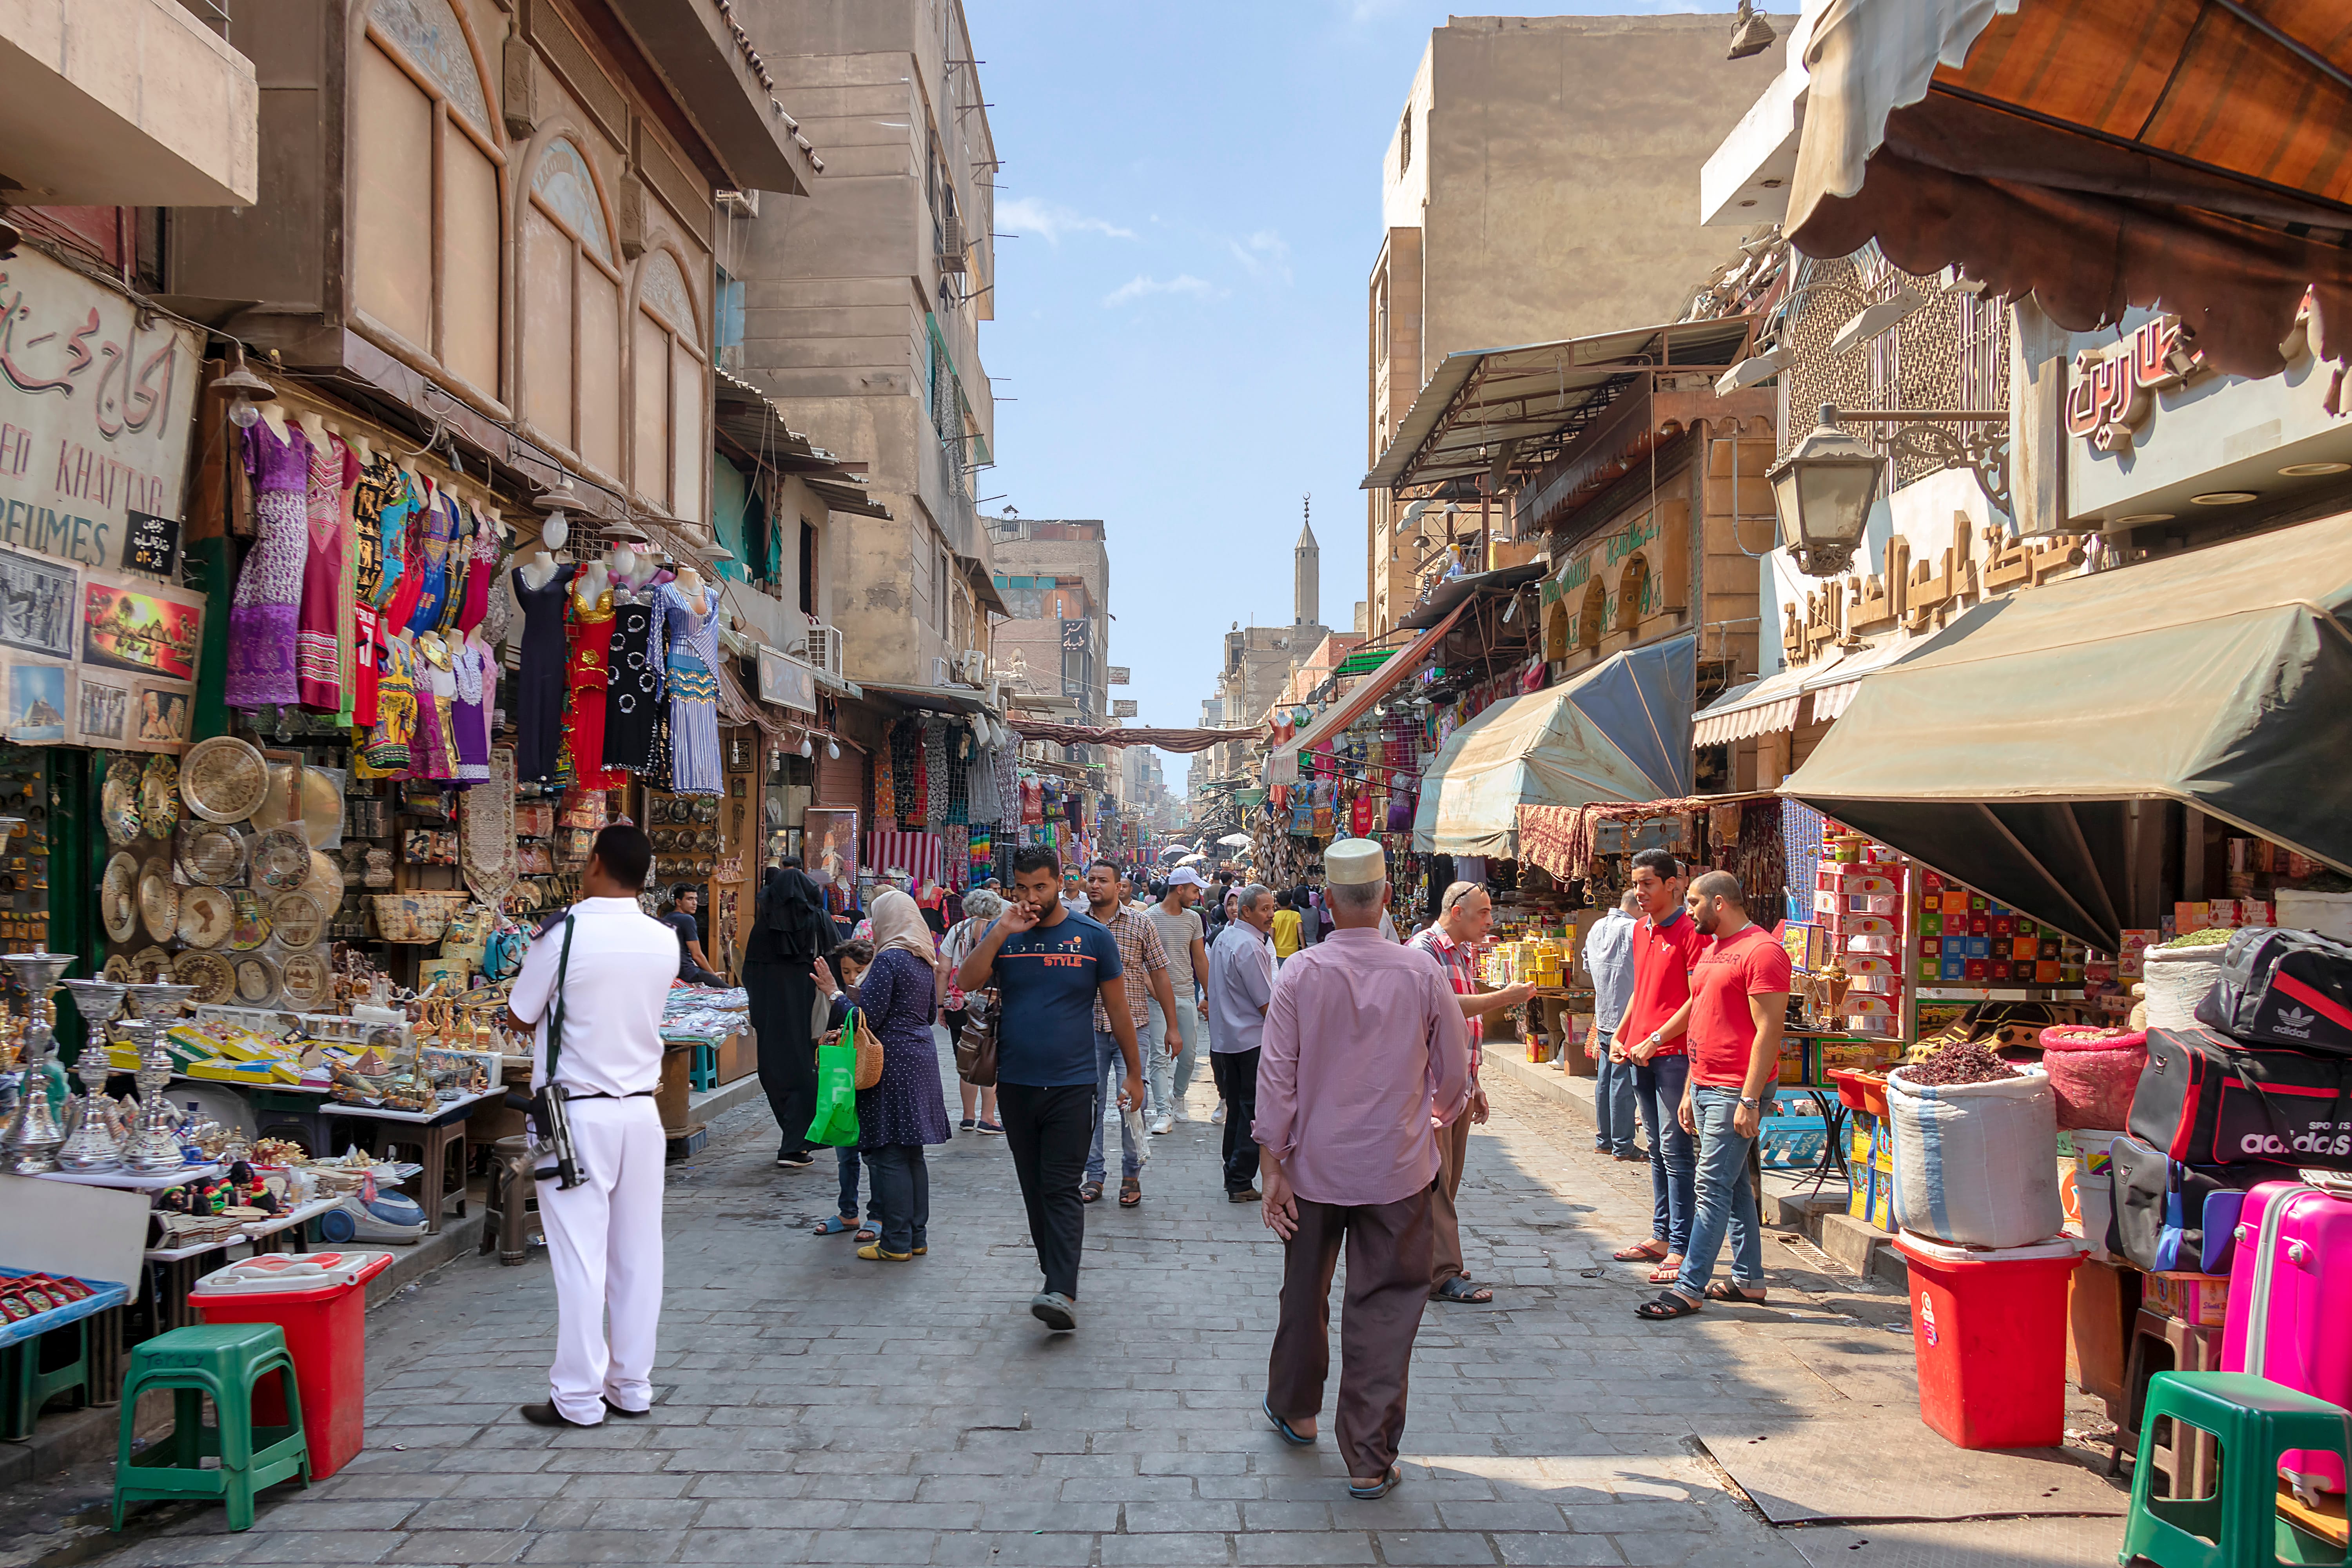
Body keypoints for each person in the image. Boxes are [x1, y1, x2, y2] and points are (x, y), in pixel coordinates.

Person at [1256, 838, 1471, 1499]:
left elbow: (1277, 1079)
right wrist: (1431, 1117)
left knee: (1304, 1293)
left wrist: (1273, 1168)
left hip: (1314, 1169)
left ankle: (1298, 1410)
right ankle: (1370, 1460)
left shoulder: (1298, 973)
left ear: (1325, 901)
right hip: (1398, 1171)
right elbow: (1455, 1073)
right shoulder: (1420, 973)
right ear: (1384, 899)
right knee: (1384, 1310)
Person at [505, 824, 679, 1428]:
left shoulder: (566, 935)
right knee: (638, 1254)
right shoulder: (664, 940)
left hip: (574, 1113)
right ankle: (630, 1384)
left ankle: (577, 1396)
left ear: (597, 863)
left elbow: (520, 1012)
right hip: (640, 1111)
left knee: (580, 1257)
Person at [954, 847, 1144, 1332]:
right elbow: (966, 980)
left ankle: (1062, 1288)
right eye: (1022, 888)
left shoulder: (1093, 938)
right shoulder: (1005, 934)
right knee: (1034, 1187)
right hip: (1016, 1084)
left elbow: (1119, 1011)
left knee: (1060, 1186)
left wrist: (1135, 1074)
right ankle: (1053, 1273)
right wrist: (1000, 929)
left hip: (1074, 1084)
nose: (1031, 897)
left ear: (1062, 882)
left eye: (1041, 886)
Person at [1637, 872, 1790, 1320]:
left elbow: (1770, 1030)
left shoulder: (1762, 952)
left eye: (1694, 901)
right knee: (1734, 1184)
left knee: (1710, 1186)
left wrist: (1749, 1098)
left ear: (1720, 903)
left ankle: (1689, 1287)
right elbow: (1699, 1013)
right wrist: (1689, 1089)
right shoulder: (1712, 950)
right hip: (1707, 1083)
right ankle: (1748, 1279)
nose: (1688, 910)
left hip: (1735, 1088)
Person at [1407, 883, 1536, 1305]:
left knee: (1447, 1182)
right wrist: (1504, 998)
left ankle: (1430, 1259)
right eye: (1482, 913)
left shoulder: (1461, 953)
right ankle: (1441, 1272)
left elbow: (1465, 1033)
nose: (1490, 921)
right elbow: (1445, 1006)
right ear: (1458, 911)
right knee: (1437, 1184)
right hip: (1431, 1087)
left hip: (1456, 1086)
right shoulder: (1423, 950)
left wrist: (1474, 1083)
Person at [822, 889, 951, 1261]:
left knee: (888, 1153)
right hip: (920, 1057)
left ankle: (895, 1242)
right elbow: (927, 1015)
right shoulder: (922, 959)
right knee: (911, 1152)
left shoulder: (889, 960)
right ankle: (915, 1236)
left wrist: (835, 993)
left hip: (890, 1063)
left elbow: (866, 1019)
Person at [1609, 848, 1709, 1286]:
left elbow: (1696, 999)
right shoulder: (1639, 928)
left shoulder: (1691, 932)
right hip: (1641, 1051)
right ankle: (1662, 1234)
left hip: (1672, 1055)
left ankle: (1683, 1244)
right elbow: (1641, 988)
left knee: (1676, 1149)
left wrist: (1655, 1038)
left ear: (1674, 884)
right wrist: (1621, 1031)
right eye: (1636, 883)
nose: (1639, 891)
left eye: (1648, 883)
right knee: (1655, 1147)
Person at [1078, 860, 1175, 1207]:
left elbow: (1160, 975)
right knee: (1090, 1102)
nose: (1094, 885)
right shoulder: (1076, 925)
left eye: (1103, 880)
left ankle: (1132, 1174)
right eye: (1090, 879)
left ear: (1119, 886)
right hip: (1088, 1028)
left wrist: (1173, 1025)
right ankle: (1094, 1175)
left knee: (1133, 1101)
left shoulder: (1140, 923)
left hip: (1133, 1028)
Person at [743, 860, 835, 1170]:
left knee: (776, 1072)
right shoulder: (819, 921)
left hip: (772, 1014)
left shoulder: (762, 929)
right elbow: (835, 964)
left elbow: (750, 974)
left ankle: (793, 1140)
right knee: (807, 1070)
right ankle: (797, 1143)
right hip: (808, 1011)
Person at [1207, 883, 1278, 1201]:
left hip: (1227, 1040)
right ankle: (1240, 1179)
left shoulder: (1226, 937)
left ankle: (1232, 1171)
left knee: (1237, 1108)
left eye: (1272, 908)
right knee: (1252, 1110)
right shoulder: (1249, 946)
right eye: (1265, 909)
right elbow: (1266, 1002)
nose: (1271, 916)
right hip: (1250, 1041)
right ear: (1246, 911)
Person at [808, 939, 877, 1240]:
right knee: (845, 1151)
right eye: (846, 971)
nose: (852, 977)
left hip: (870, 1081)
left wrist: (836, 993)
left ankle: (878, 1215)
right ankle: (848, 1212)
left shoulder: (874, 992)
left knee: (875, 1155)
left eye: (858, 971)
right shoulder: (842, 996)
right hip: (844, 1082)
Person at [1581, 889, 1644, 1161]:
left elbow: (1586, 965)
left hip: (1605, 1012)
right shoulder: (1635, 930)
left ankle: (1605, 1139)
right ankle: (1622, 1144)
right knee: (1621, 1084)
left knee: (1605, 1080)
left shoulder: (1597, 926)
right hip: (1627, 1018)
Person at [1146, 867, 1210, 1131]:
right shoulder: (1148, 918)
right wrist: (1153, 989)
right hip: (1157, 999)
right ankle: (1163, 1112)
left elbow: (1200, 960)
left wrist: (1209, 996)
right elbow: (1140, 963)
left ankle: (1179, 1096)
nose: (1198, 897)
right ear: (1180, 889)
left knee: (1189, 1054)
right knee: (1159, 1056)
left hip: (1185, 993)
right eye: (1195, 891)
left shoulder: (1194, 920)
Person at [939, 888, 1005, 1133]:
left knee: (965, 1057)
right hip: (990, 1002)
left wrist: (939, 1005)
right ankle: (988, 1118)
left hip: (958, 1003)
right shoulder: (998, 931)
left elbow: (943, 970)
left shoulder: (956, 931)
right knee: (990, 1058)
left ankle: (968, 1117)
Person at [663, 884, 726, 985]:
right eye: (690, 899)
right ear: (678, 902)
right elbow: (697, 955)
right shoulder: (687, 920)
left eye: (696, 899)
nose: (695, 903)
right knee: (734, 994)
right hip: (689, 973)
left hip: (675, 973)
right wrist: (713, 975)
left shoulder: (667, 917)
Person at [1270, 891, 1303, 967]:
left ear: (1278, 904)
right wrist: (1303, 948)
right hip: (1293, 951)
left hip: (1279, 952)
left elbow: (1272, 936)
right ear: (1290, 903)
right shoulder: (1296, 915)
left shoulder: (1274, 916)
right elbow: (1300, 932)